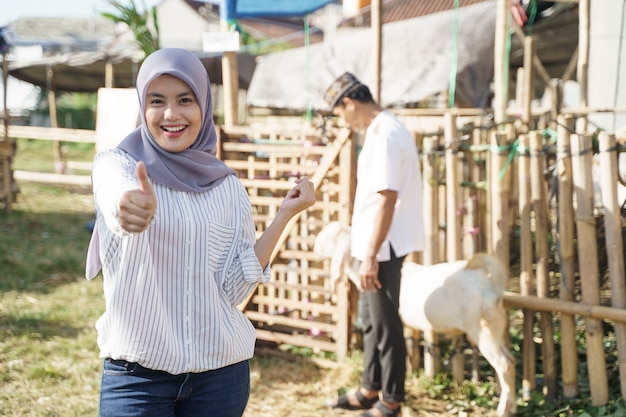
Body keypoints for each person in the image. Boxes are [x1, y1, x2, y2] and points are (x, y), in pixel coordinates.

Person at [85, 47, 315, 417]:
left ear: (204, 106)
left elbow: (234, 288)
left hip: (220, 377)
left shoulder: (227, 187)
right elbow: (119, 203)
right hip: (138, 381)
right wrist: (131, 209)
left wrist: (283, 216)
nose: (171, 114)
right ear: (142, 106)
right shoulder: (117, 165)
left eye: (185, 100)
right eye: (157, 100)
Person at [324, 72, 424, 417]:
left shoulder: (384, 134)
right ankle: (370, 387)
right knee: (370, 318)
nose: (344, 122)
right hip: (376, 244)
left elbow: (387, 199)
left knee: (385, 324)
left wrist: (370, 256)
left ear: (350, 103)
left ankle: (392, 400)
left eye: (340, 114)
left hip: (382, 247)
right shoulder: (384, 129)